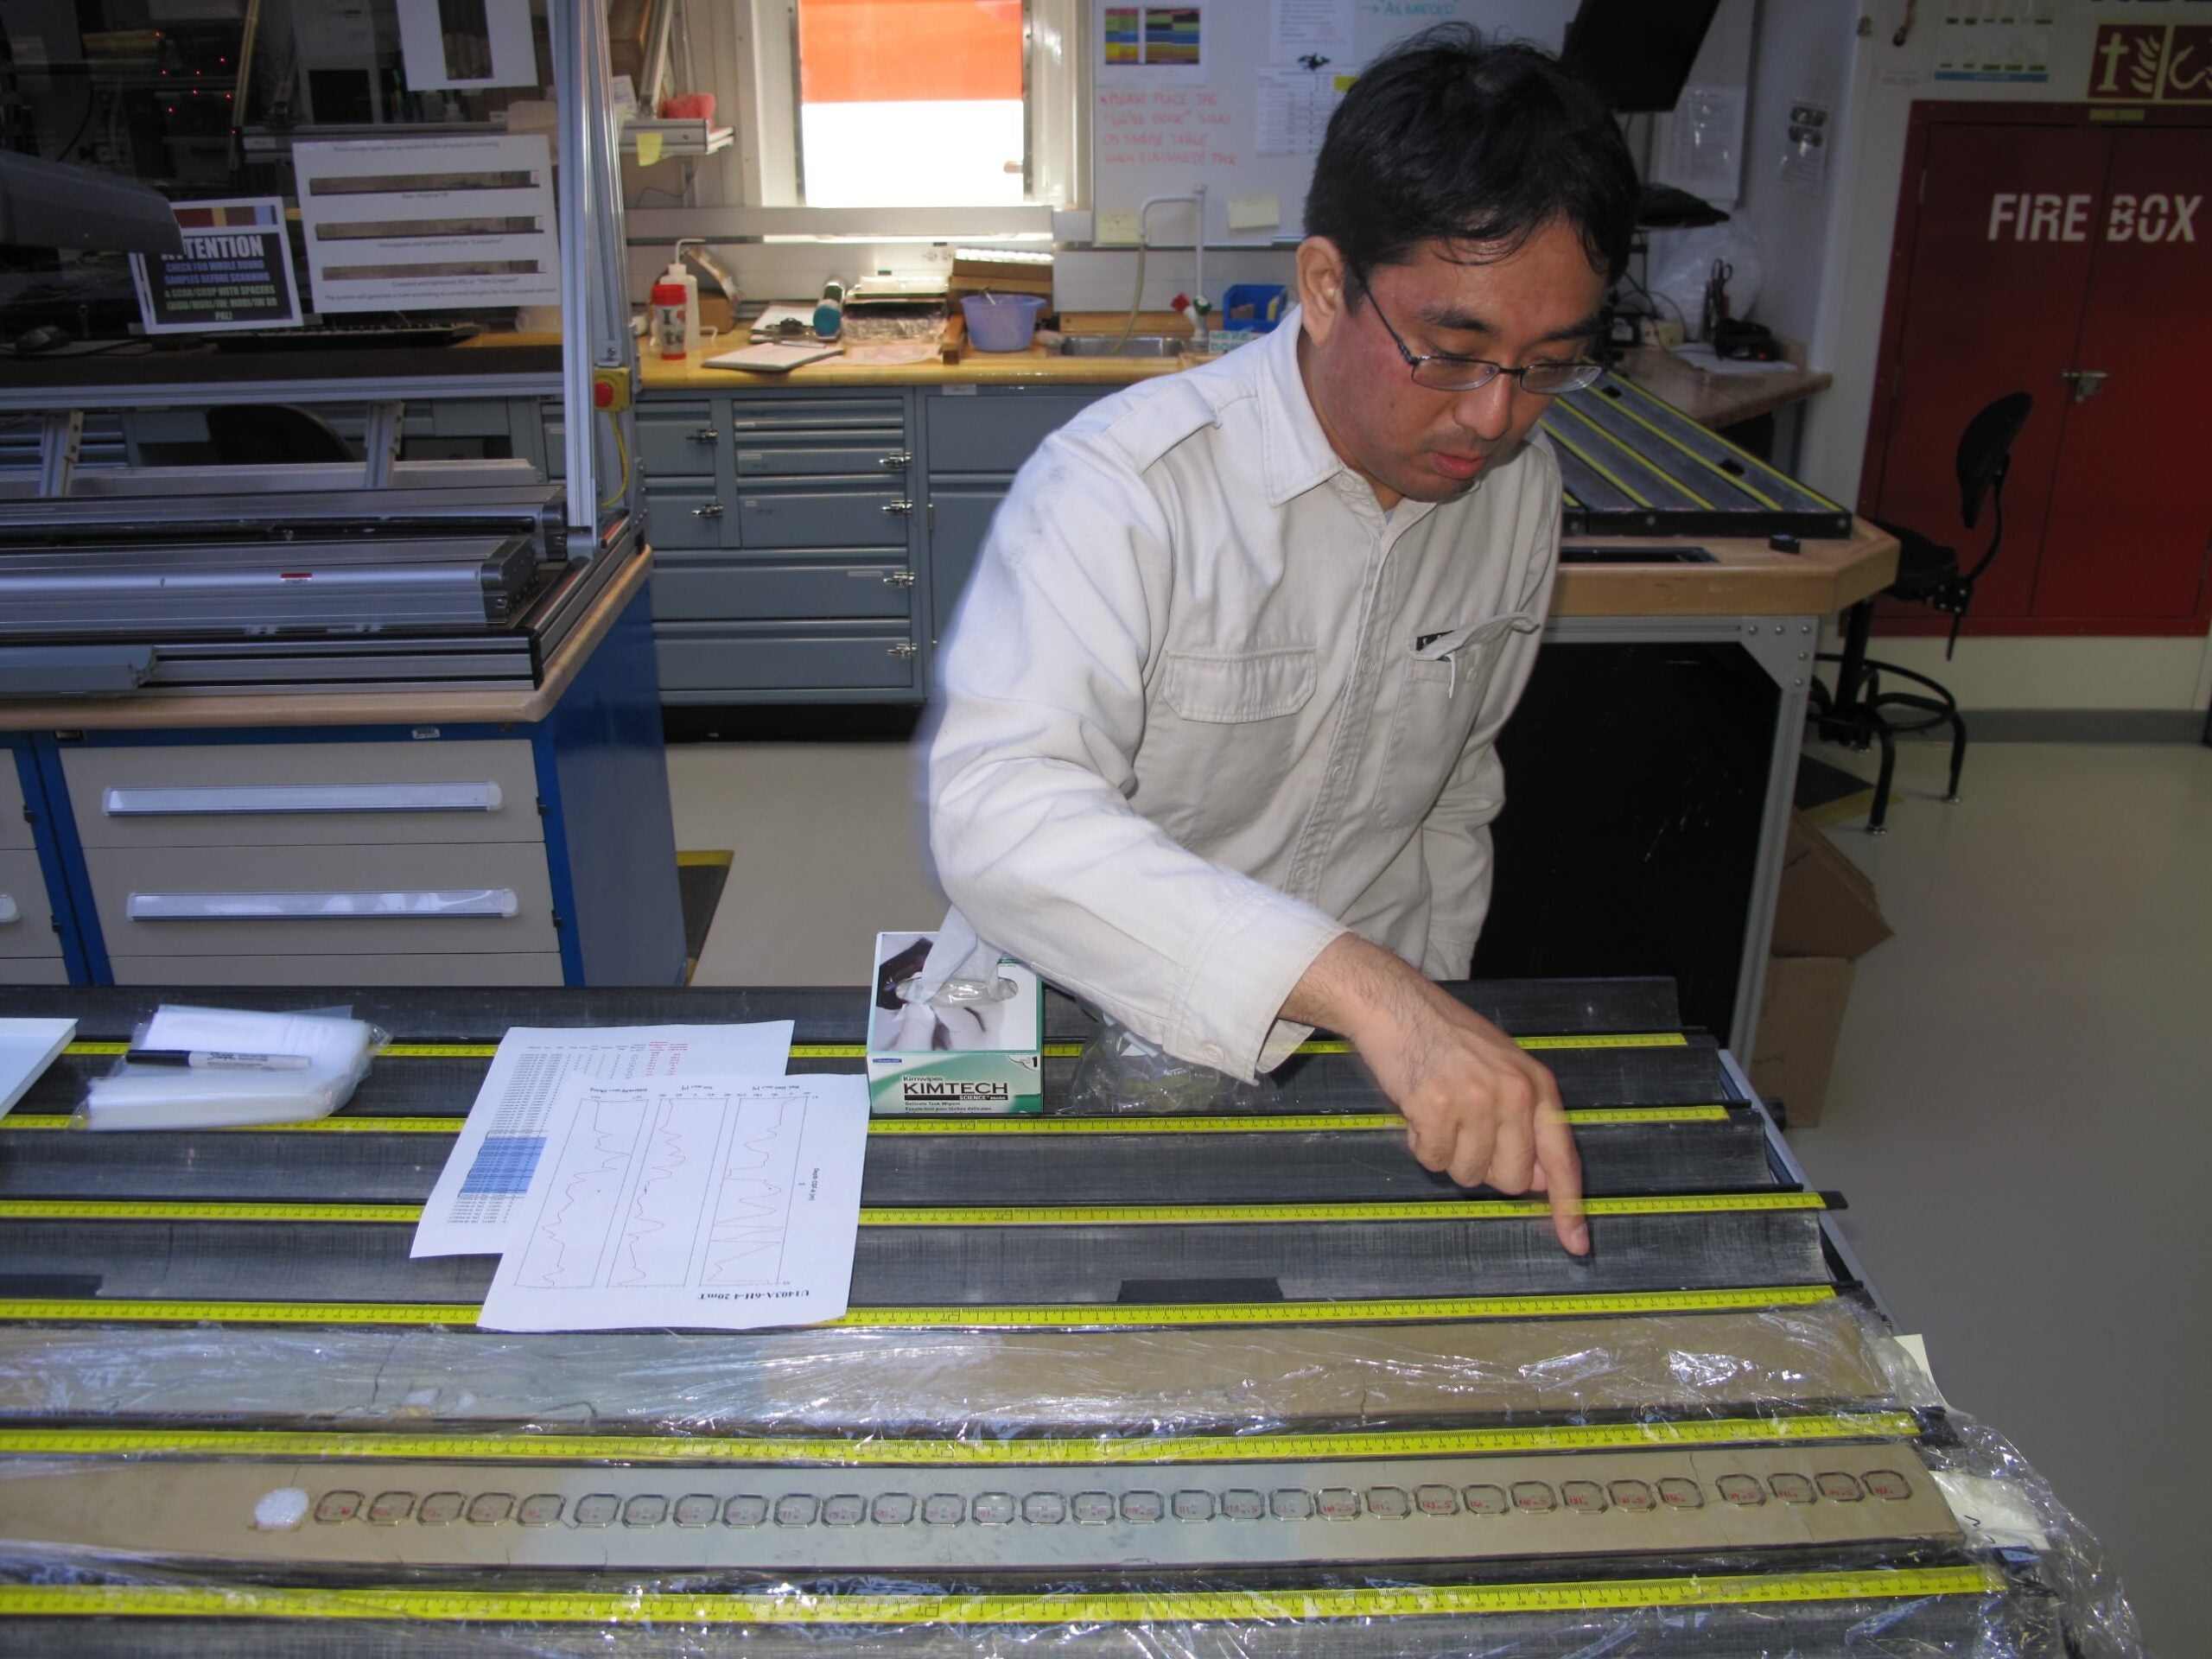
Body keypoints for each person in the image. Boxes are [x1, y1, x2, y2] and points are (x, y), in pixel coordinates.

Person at [924, 27, 1638, 1255]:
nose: (1494, 415)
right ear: (1323, 285)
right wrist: (1369, 988)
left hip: (1343, 1061)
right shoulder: (1125, 488)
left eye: (1546, 368)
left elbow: (1454, 793)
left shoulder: (1519, 492)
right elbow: (996, 809)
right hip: (1079, 1022)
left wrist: (1431, 1017)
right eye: (1452, 352)